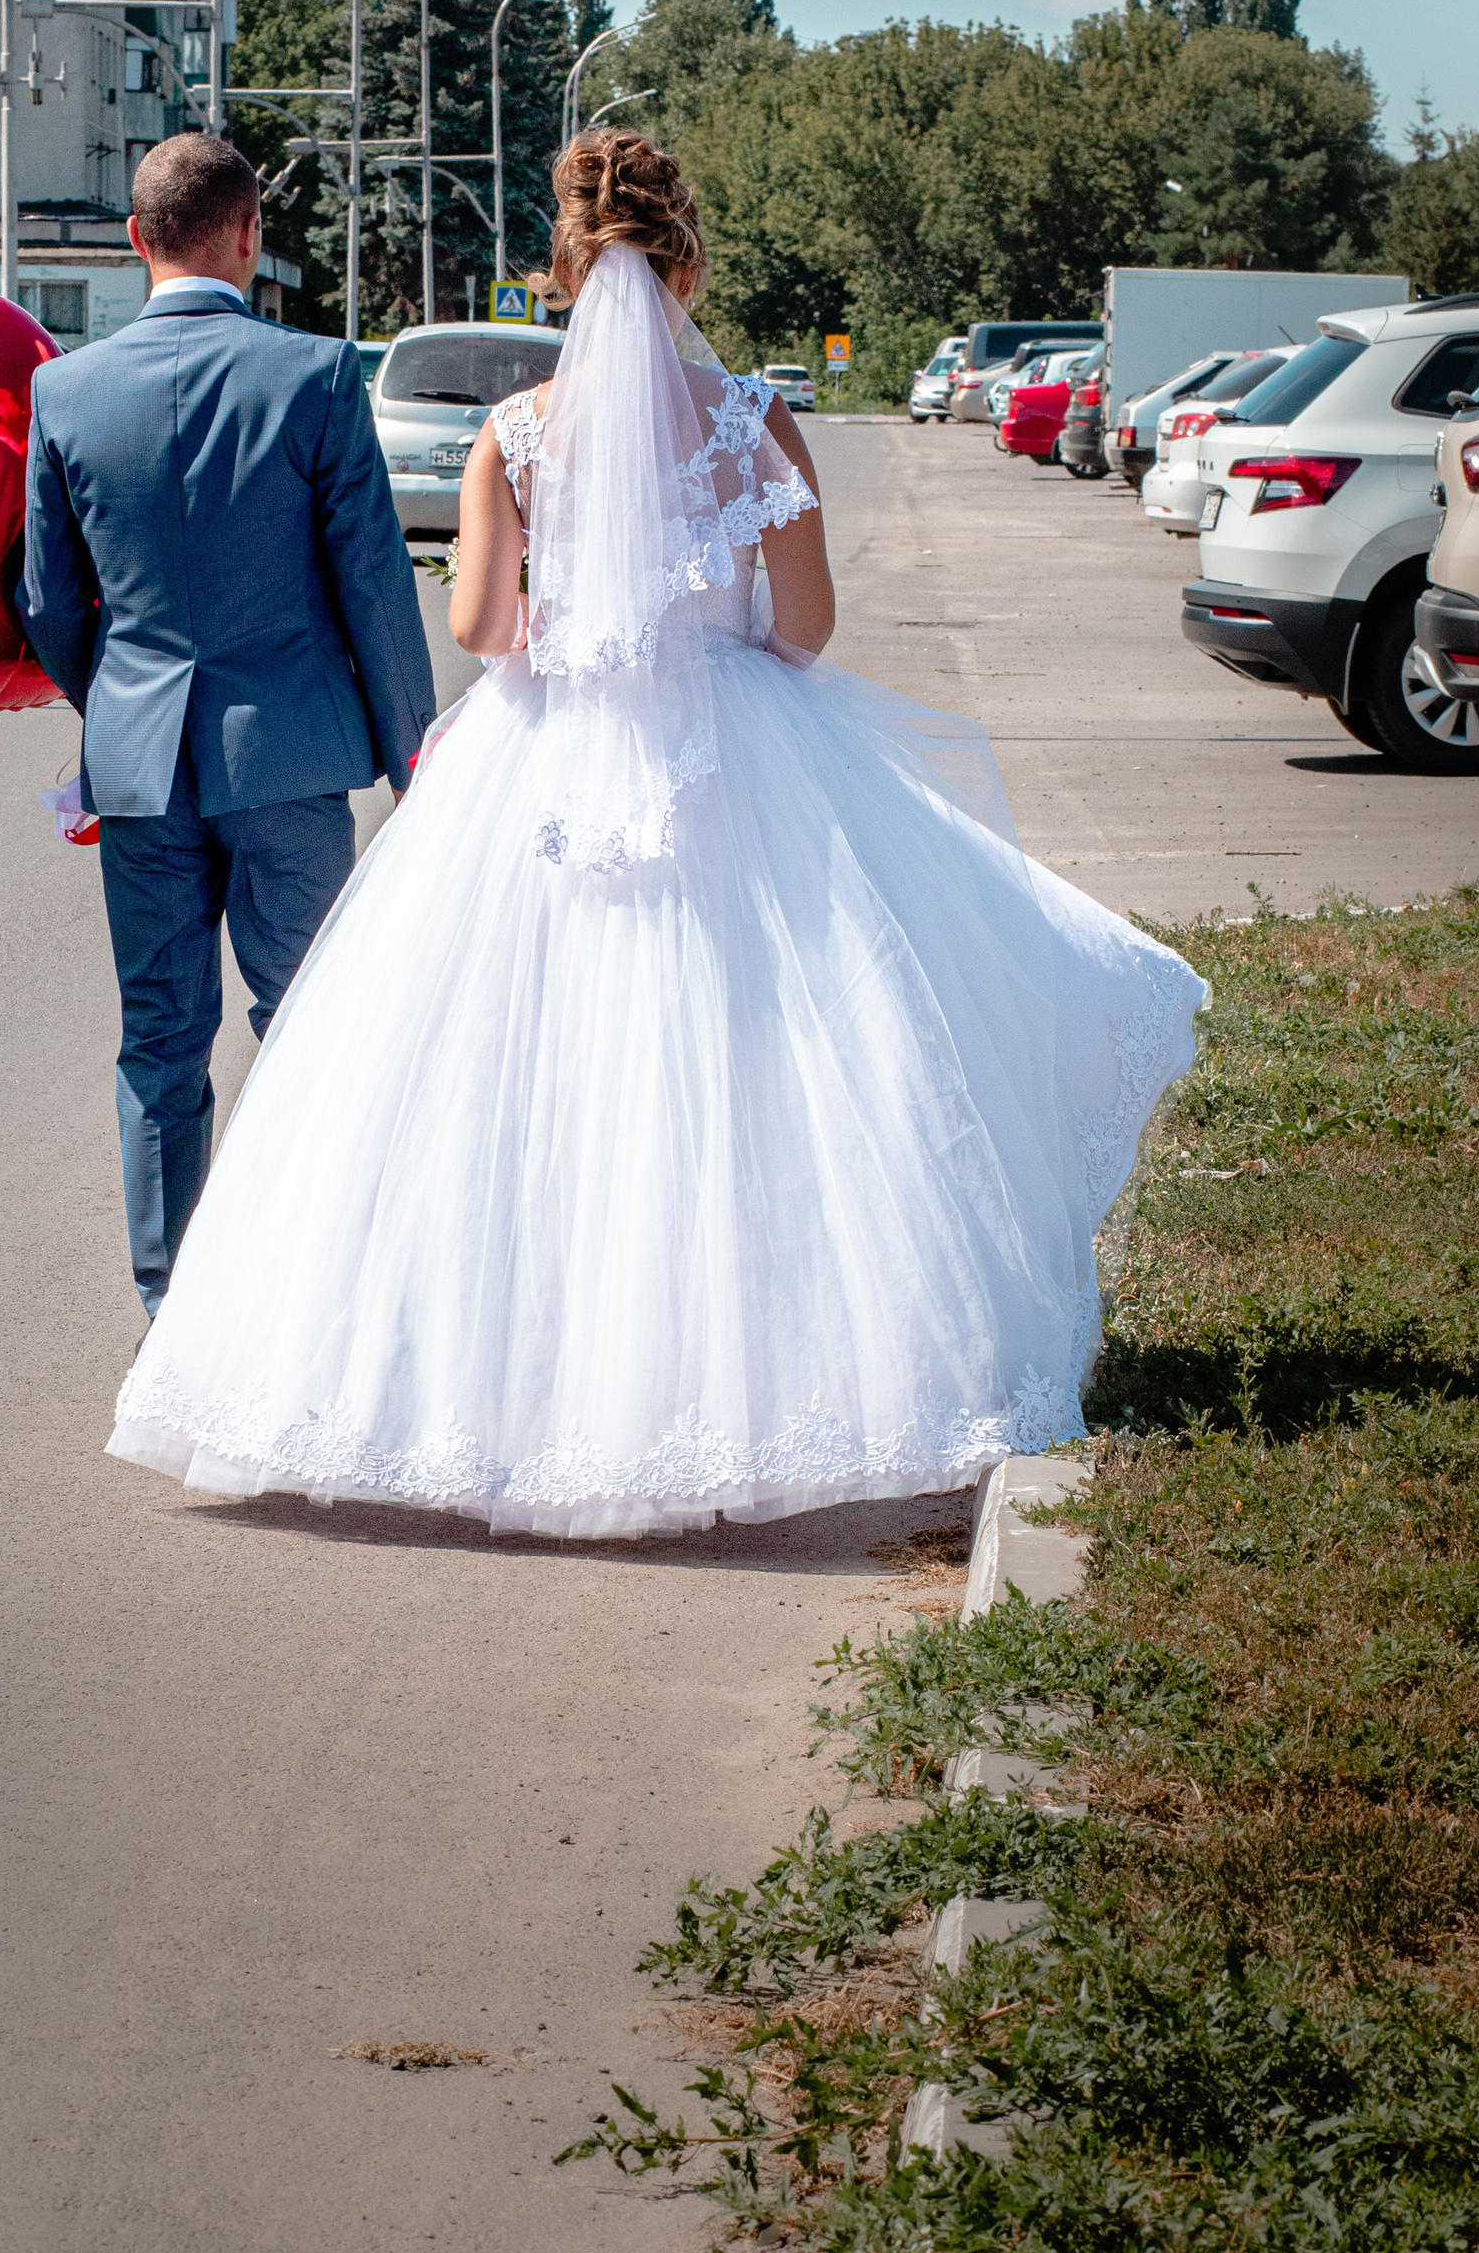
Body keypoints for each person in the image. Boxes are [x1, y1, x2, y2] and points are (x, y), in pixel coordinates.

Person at [106, 129, 1207, 1538]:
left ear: (565, 275)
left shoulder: (517, 433)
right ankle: (753, 1383)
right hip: (730, 750)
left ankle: (492, 1396)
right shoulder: (753, 417)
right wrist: (711, 634)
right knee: (768, 1058)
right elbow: (806, 628)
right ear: (687, 264)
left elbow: (484, 629)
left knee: (503, 1076)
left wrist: (578, 627)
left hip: (545, 760)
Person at [22, 130, 434, 1316]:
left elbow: (47, 600)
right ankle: (309, 1301)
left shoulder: (65, 390)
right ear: (251, 235)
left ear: (134, 240)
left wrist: (114, 705)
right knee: (310, 1027)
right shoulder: (316, 376)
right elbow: (373, 583)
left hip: (140, 769)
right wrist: (412, 757)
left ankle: (170, 1312)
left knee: (160, 1040)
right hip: (289, 759)